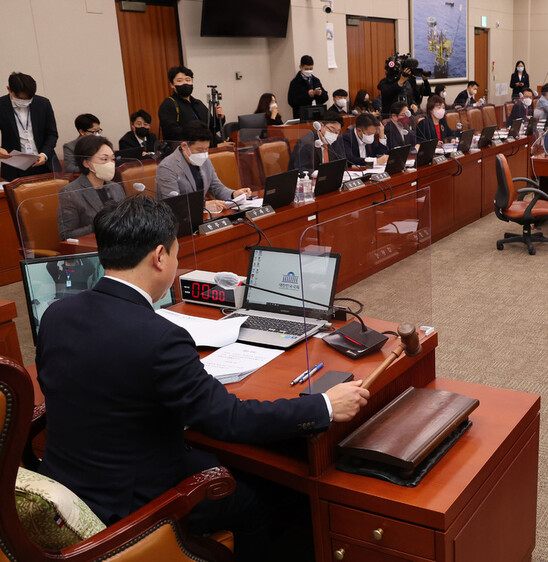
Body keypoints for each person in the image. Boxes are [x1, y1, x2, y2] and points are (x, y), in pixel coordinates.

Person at [37, 195, 370, 560]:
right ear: (160, 256)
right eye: (177, 255)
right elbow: (230, 421)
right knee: (259, 502)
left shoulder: (57, 314)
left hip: (69, 484)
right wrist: (323, 405)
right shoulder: (159, 337)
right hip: (132, 504)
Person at [155, 121, 250, 212]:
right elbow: (172, 203)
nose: (204, 154)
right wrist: (203, 206)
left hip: (202, 216)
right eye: (199, 150)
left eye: (206, 149)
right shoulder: (167, 167)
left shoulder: (205, 161)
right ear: (184, 146)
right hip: (178, 220)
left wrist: (234, 194)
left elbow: (217, 188)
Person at [57, 135, 126, 240]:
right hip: (91, 247)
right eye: (104, 159)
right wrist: (98, 225)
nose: (110, 164)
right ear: (86, 163)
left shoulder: (116, 187)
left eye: (112, 159)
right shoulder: (70, 192)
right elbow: (66, 235)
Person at [0, 72, 58, 180]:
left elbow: (52, 134)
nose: (25, 102)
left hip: (44, 164)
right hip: (15, 168)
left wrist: (44, 154)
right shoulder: (1, 106)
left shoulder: (43, 103)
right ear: (9, 89)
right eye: (20, 99)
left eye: (29, 99)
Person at [158, 66, 224, 144]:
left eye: (188, 80)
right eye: (180, 81)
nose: (185, 83)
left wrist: (219, 118)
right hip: (184, 151)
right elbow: (172, 133)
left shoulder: (198, 103)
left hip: (206, 149)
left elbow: (210, 128)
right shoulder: (168, 104)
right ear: (172, 85)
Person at [287, 55, 328, 120]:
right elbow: (292, 101)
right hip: (302, 115)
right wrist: (307, 95)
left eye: (311, 69)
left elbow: (325, 97)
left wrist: (321, 94)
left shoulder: (315, 80)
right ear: (300, 67)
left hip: (317, 113)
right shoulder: (295, 82)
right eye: (306, 69)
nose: (309, 71)